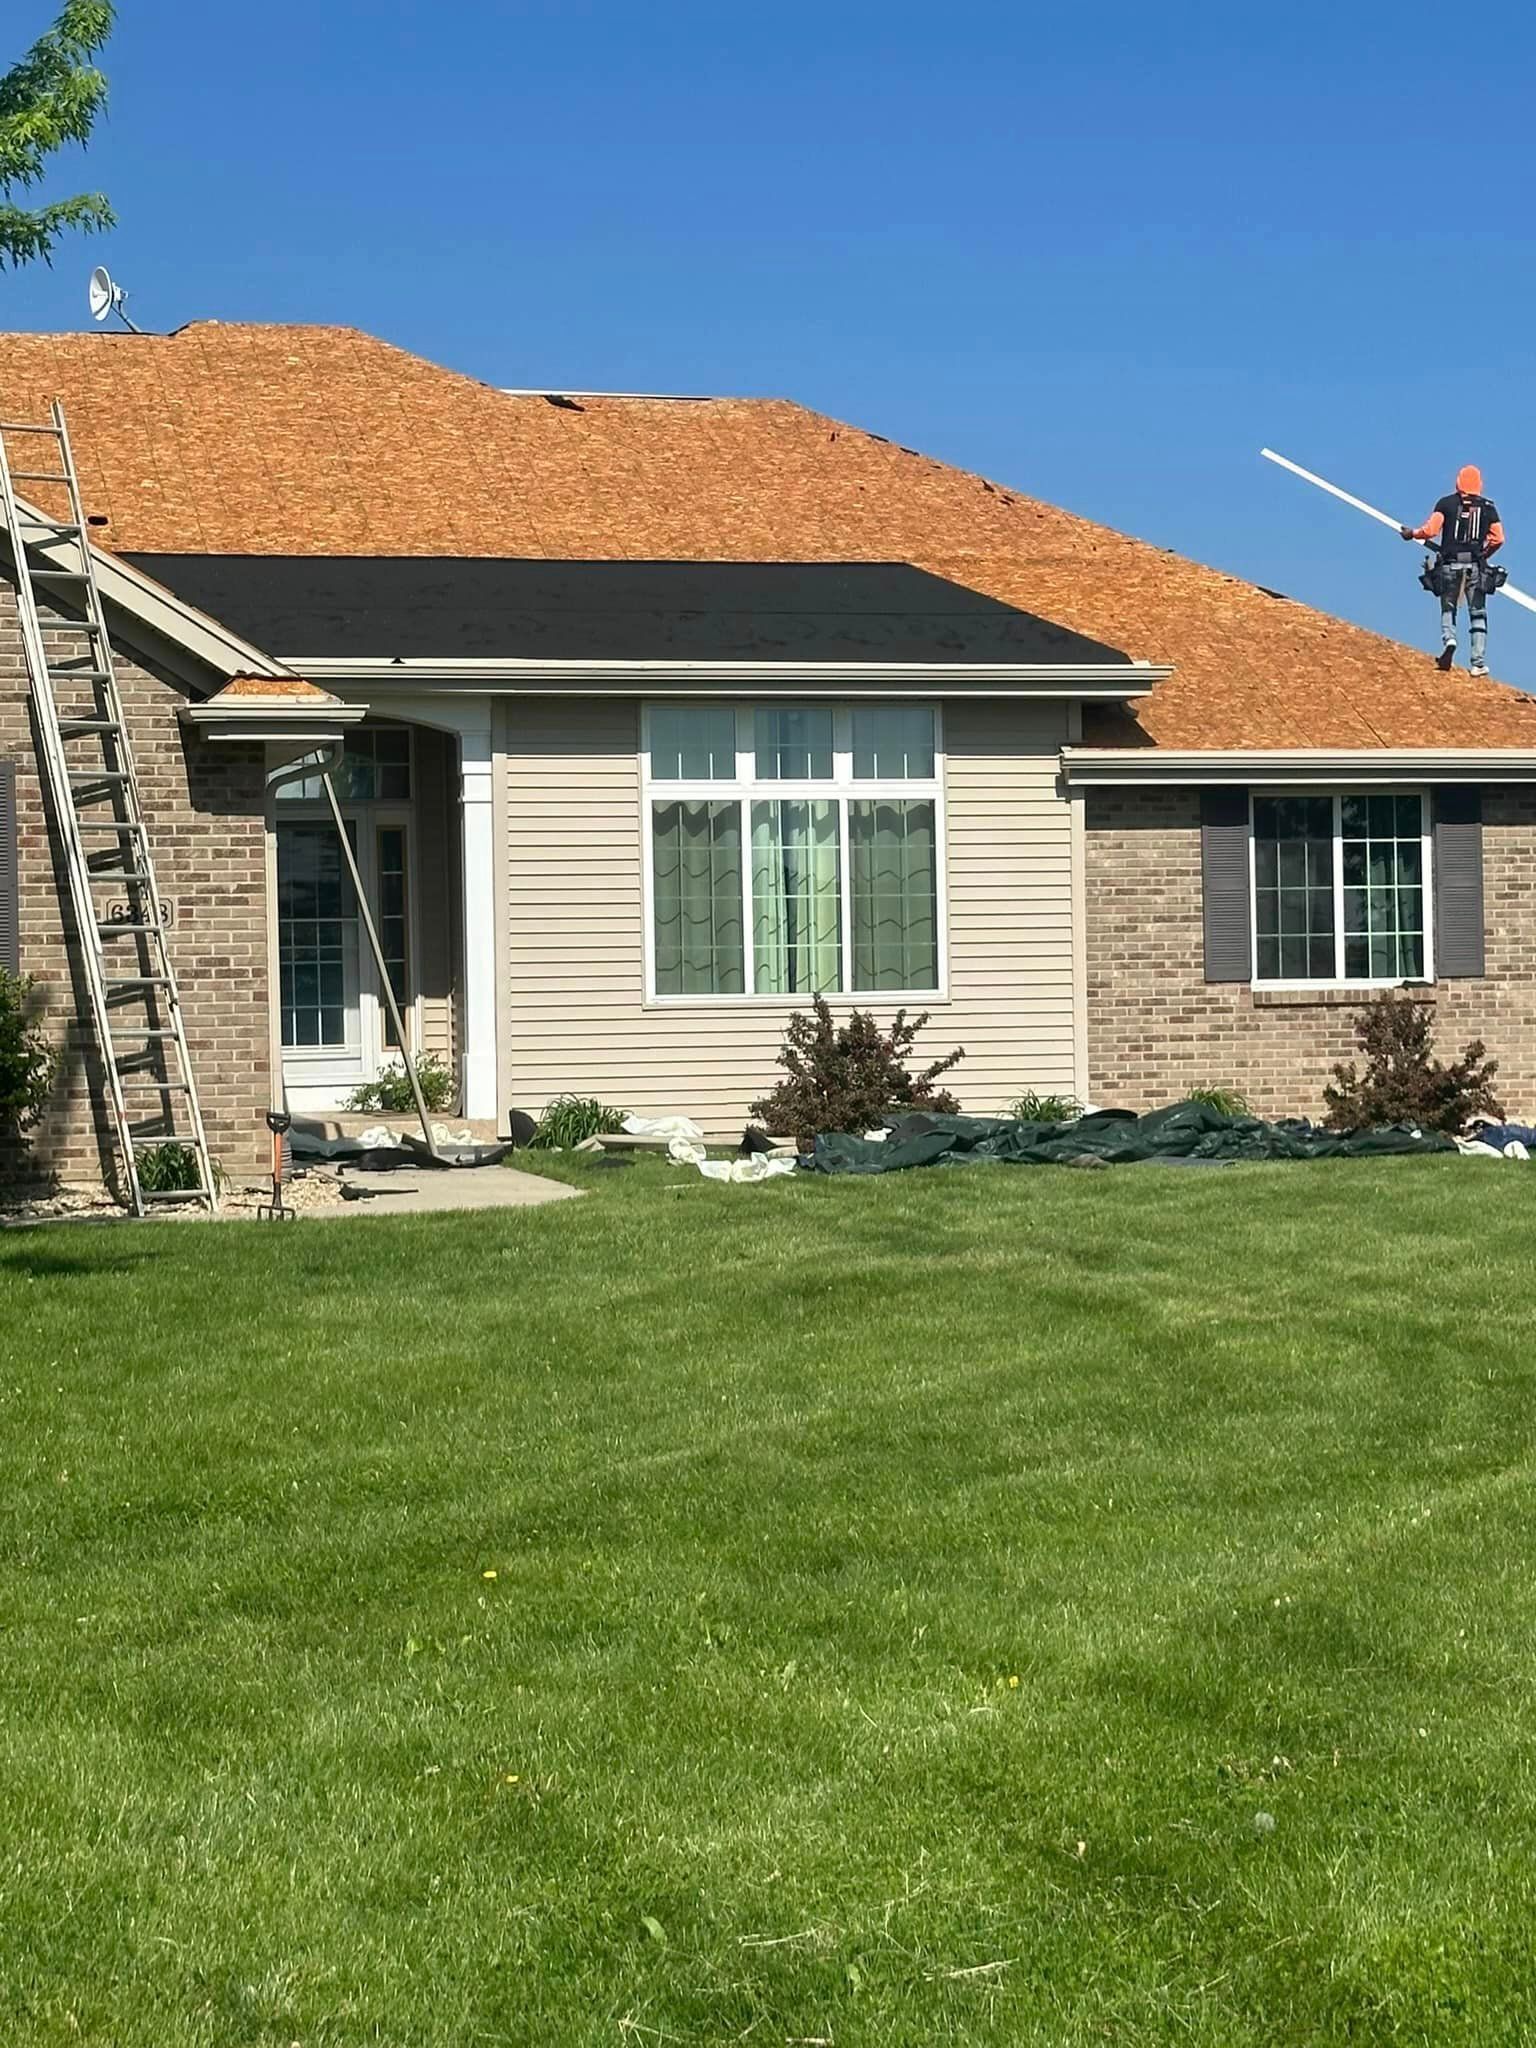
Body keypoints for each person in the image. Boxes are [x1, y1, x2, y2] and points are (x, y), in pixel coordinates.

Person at [1400, 464, 1505, 676]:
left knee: (1448, 608)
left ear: (1458, 482)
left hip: (1449, 564)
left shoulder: (1446, 503)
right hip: (1475, 566)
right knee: (1478, 613)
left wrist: (1412, 533)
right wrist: (1484, 556)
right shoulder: (1488, 507)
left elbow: (1430, 530)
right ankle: (1478, 663)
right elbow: (1498, 538)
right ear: (1479, 484)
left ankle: (1450, 639)